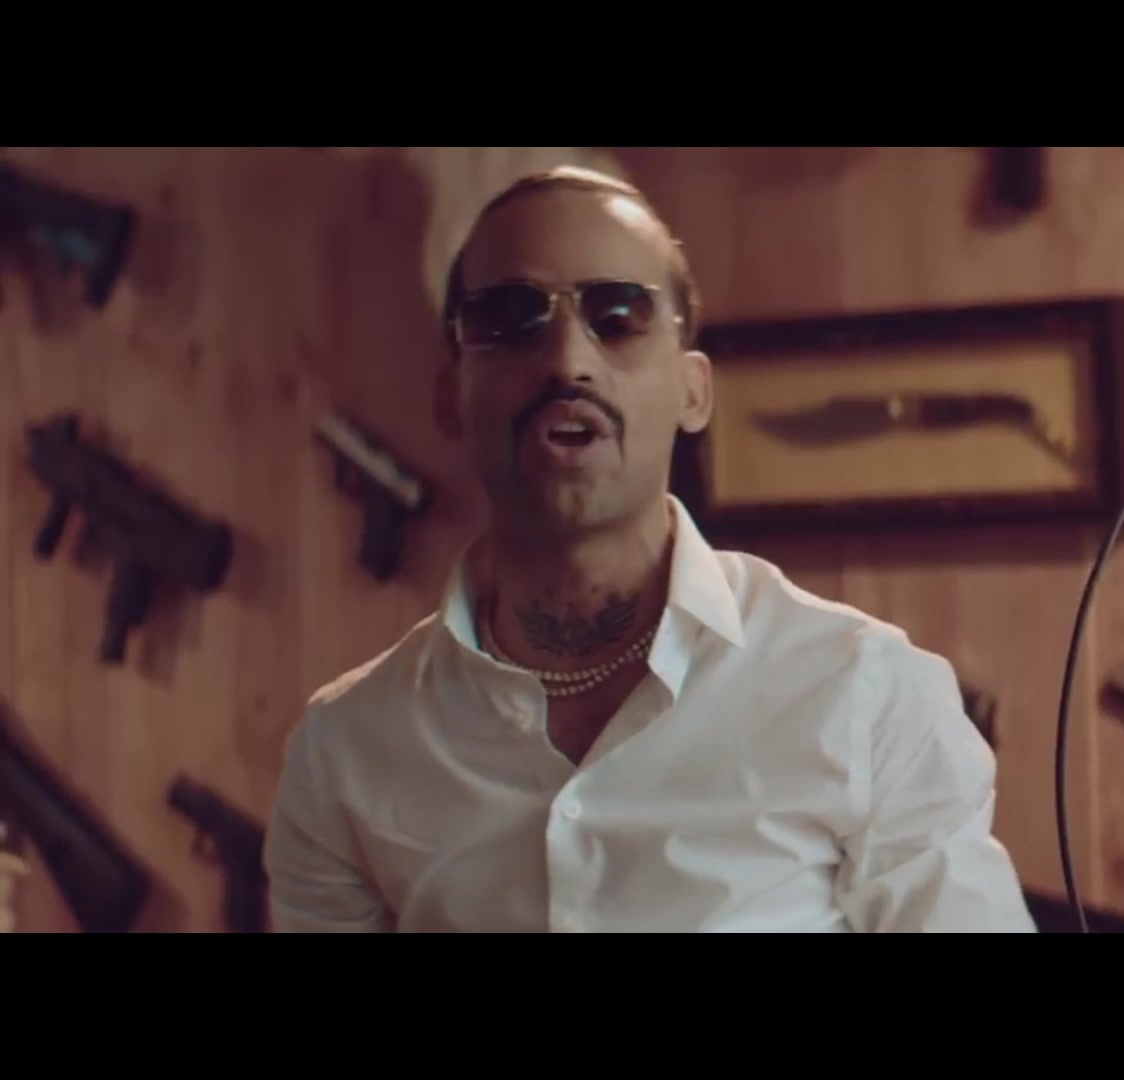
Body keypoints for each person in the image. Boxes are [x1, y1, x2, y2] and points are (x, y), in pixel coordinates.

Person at [262, 165, 1038, 933]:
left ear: (694, 391)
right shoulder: (345, 752)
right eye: (510, 317)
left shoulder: (866, 693)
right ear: (449, 396)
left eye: (619, 316)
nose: (567, 361)